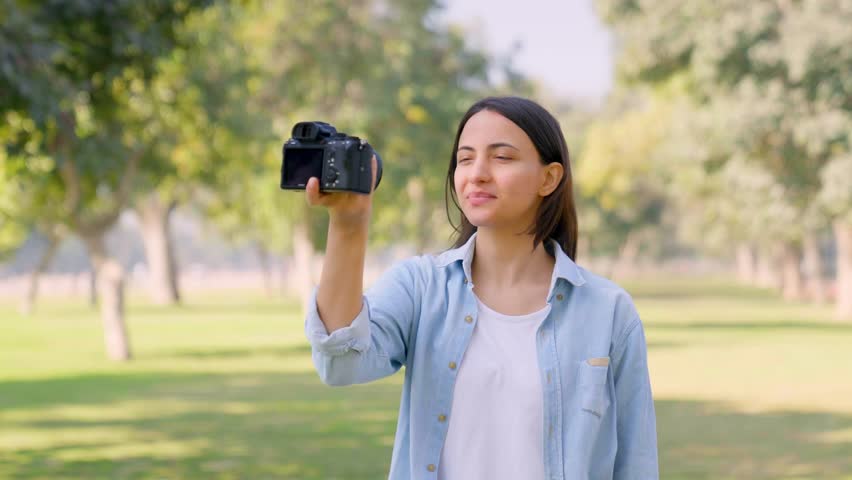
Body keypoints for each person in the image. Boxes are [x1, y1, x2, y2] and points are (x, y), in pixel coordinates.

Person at [303, 96, 659, 479]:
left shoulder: (608, 310)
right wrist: (348, 223)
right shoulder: (421, 287)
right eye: (465, 158)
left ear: (549, 178)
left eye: (501, 157)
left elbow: (636, 463)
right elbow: (340, 363)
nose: (477, 173)